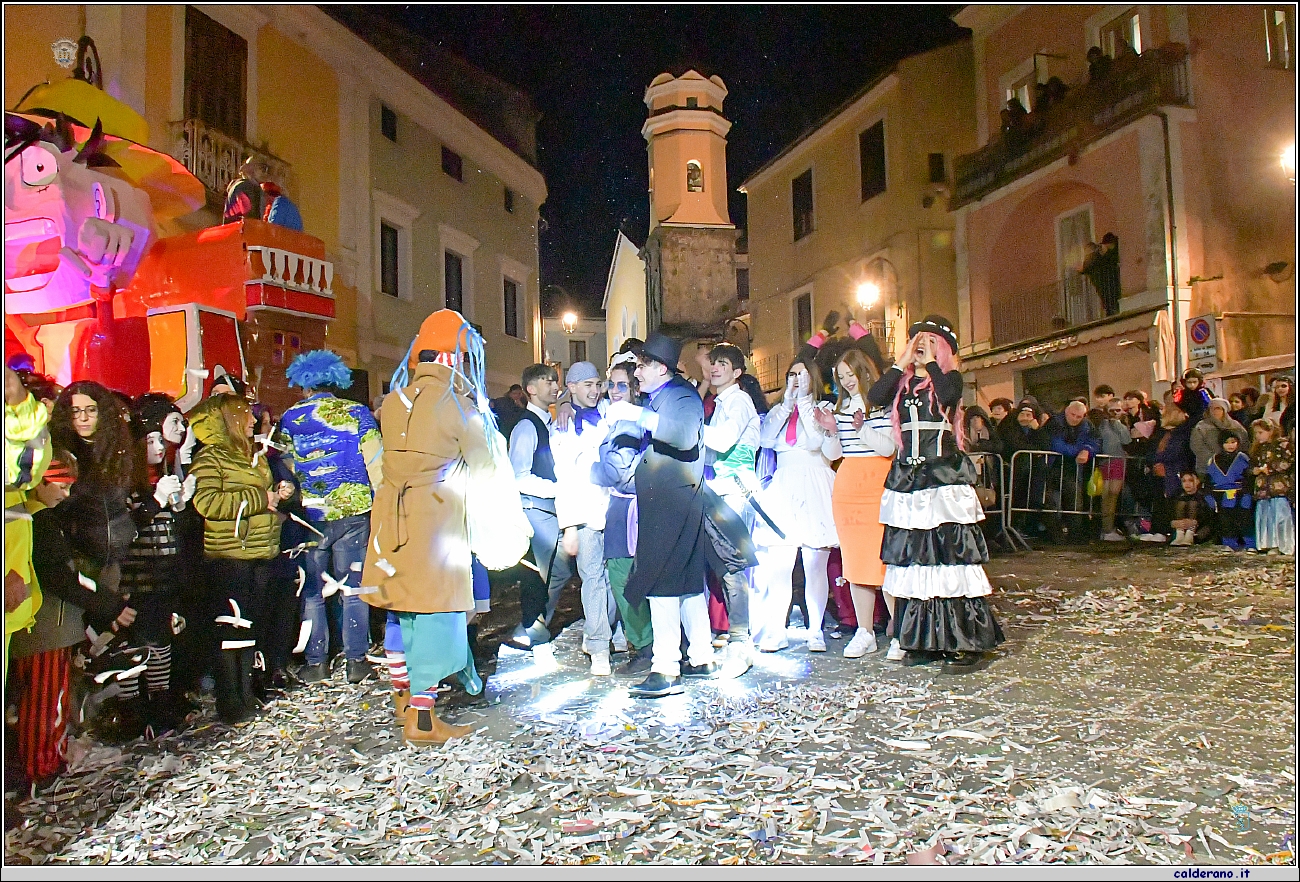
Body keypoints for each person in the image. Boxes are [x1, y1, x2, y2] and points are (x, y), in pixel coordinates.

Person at [360, 309, 506, 743]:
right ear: (451, 358)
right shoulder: (458, 407)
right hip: (436, 527)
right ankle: (422, 720)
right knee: (436, 620)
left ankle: (403, 700)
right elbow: (486, 466)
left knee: (400, 610)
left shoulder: (392, 402)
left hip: (391, 522)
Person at [604, 333, 754, 698]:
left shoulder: (682, 397)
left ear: (660, 368)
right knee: (686, 584)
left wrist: (636, 415)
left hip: (672, 506)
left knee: (662, 586)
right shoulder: (664, 396)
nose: (637, 373)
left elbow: (685, 436)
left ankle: (666, 667)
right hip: (670, 503)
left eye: (642, 366)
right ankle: (701, 657)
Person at [867, 315, 1003, 672]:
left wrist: (930, 364)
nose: (920, 346)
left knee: (949, 560)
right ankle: (925, 640)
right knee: (918, 563)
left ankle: (964, 641)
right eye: (916, 340)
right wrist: (900, 363)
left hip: (942, 479)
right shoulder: (903, 384)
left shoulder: (950, 379)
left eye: (929, 341)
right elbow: (875, 396)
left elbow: (949, 395)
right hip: (909, 483)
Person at [276, 350, 383, 685]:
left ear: (304, 382)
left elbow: (284, 466)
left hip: (311, 516)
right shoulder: (357, 412)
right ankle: (356, 662)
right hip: (354, 511)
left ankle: (316, 663)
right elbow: (376, 462)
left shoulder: (290, 418)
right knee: (353, 587)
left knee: (313, 590)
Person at [189, 393, 295, 723]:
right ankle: (230, 699)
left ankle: (247, 691)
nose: (253, 420)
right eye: (245, 415)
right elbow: (206, 503)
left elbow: (263, 496)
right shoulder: (210, 458)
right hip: (230, 557)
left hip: (260, 552)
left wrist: (280, 493)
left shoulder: (252, 454)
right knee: (230, 629)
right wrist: (260, 497)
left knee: (250, 626)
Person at [117, 394, 199, 733]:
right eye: (150, 441)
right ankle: (132, 710)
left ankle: (160, 701)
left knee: (161, 641)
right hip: (136, 579)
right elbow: (127, 529)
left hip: (163, 576)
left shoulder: (160, 475)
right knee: (135, 645)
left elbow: (172, 528)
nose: (159, 447)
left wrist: (180, 503)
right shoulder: (127, 483)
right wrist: (157, 500)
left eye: (159, 440)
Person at [751, 351, 841, 654]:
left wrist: (803, 403)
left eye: (802, 375)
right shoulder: (781, 410)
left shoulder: (824, 409)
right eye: (792, 374)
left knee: (815, 564)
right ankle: (778, 629)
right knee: (780, 564)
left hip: (814, 483)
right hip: (784, 484)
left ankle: (815, 630)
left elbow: (817, 443)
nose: (796, 379)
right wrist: (788, 403)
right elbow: (765, 440)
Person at [822, 344, 895, 660]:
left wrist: (862, 427)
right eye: (841, 377)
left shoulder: (882, 406)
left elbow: (888, 448)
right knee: (855, 563)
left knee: (885, 561)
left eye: (850, 374)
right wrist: (830, 432)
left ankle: (899, 631)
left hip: (878, 483)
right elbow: (832, 455)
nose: (847, 381)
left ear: (864, 372)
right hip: (849, 485)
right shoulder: (840, 408)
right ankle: (865, 632)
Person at [696, 343, 762, 674]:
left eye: (722, 364)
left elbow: (722, 441)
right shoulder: (723, 402)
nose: (715, 368)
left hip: (736, 491)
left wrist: (689, 426)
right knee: (725, 569)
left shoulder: (739, 402)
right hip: (721, 489)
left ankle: (741, 643)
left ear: (737, 372)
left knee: (734, 569)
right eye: (713, 363)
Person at [552, 361, 620, 676]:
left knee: (612, 577)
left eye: (597, 384)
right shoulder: (563, 426)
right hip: (584, 512)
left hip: (613, 508)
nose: (594, 391)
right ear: (572, 387)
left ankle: (606, 631)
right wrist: (569, 526)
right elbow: (563, 477)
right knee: (592, 579)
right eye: (587, 385)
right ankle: (598, 645)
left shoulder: (606, 412)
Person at [589, 353, 654, 675]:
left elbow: (620, 474)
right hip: (623, 508)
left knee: (625, 578)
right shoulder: (616, 417)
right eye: (611, 385)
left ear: (635, 389)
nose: (614, 391)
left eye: (622, 385)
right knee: (625, 577)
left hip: (629, 510)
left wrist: (591, 470)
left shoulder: (629, 422)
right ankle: (645, 644)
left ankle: (645, 647)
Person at [505, 363, 574, 653]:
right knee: (539, 574)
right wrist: (558, 489)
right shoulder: (526, 426)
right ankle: (530, 627)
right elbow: (518, 475)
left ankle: (536, 624)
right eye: (548, 382)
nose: (555, 387)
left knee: (559, 571)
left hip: (551, 508)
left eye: (556, 381)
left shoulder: (548, 422)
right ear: (531, 389)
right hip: (537, 509)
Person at [1045, 401, 1100, 544]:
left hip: (1071, 469)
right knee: (1051, 501)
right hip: (1050, 467)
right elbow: (1056, 444)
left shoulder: (1087, 425)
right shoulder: (1054, 423)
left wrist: (1087, 450)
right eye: (1072, 415)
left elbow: (1095, 442)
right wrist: (1079, 450)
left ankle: (1075, 535)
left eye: (1078, 416)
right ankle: (1055, 535)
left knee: (1075, 500)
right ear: (1066, 411)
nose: (1074, 419)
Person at [1142, 400, 1194, 543]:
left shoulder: (1183, 432)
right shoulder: (1161, 432)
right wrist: (1154, 462)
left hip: (1173, 471)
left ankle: (1166, 531)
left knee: (1170, 501)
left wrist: (1163, 462)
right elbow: (1151, 449)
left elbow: (1178, 451)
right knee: (1158, 501)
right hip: (1158, 472)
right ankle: (1156, 529)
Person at [1249, 419, 1295, 555]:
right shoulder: (1257, 448)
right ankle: (1267, 544)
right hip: (1263, 489)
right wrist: (1255, 470)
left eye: (1260, 432)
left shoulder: (1283, 445)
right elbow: (1251, 465)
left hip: (1279, 487)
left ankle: (1284, 546)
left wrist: (1269, 468)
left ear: (1270, 431)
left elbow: (1288, 462)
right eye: (1256, 433)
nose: (1257, 436)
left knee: (1281, 516)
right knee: (1265, 516)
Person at [1206, 431, 1254, 551]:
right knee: (1225, 520)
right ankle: (1229, 543)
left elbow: (1249, 477)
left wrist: (1247, 494)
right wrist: (1209, 495)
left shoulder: (1243, 458)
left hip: (1240, 494)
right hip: (1221, 495)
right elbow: (1208, 480)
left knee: (1244, 519)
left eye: (1233, 442)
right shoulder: (1213, 459)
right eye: (1227, 442)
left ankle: (1250, 544)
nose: (1230, 445)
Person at [1096, 401, 1132, 541]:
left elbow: (1126, 440)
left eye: (1118, 410)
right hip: (1105, 461)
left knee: (1113, 495)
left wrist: (1118, 424)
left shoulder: (1121, 425)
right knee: (1106, 496)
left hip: (1118, 461)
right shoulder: (1101, 424)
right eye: (1112, 410)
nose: (1115, 413)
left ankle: (1109, 528)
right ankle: (1106, 529)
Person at [1190, 397, 1248, 478]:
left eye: (1218, 408)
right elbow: (1197, 446)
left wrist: (1234, 459)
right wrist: (1215, 460)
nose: (1214, 411)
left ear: (1224, 410)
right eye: (1212, 408)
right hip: (1208, 469)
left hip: (1233, 468)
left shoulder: (1235, 426)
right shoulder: (1201, 426)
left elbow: (1244, 443)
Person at [1168, 472, 1213, 547]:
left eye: (1190, 480)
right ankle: (1180, 534)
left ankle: (1190, 533)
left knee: (1193, 503)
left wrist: (1195, 522)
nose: (1187, 484)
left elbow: (1211, 516)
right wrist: (1173, 523)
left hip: (1201, 528)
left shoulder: (1205, 495)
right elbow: (1167, 514)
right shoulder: (1177, 495)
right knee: (1181, 503)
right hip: (1180, 530)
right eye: (1184, 481)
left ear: (1197, 481)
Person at [1081, 234, 1121, 317]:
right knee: (1109, 301)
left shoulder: (1093, 259)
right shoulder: (1098, 257)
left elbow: (1086, 269)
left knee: (1108, 301)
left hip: (1104, 285)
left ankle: (1111, 312)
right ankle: (1111, 311)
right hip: (1107, 284)